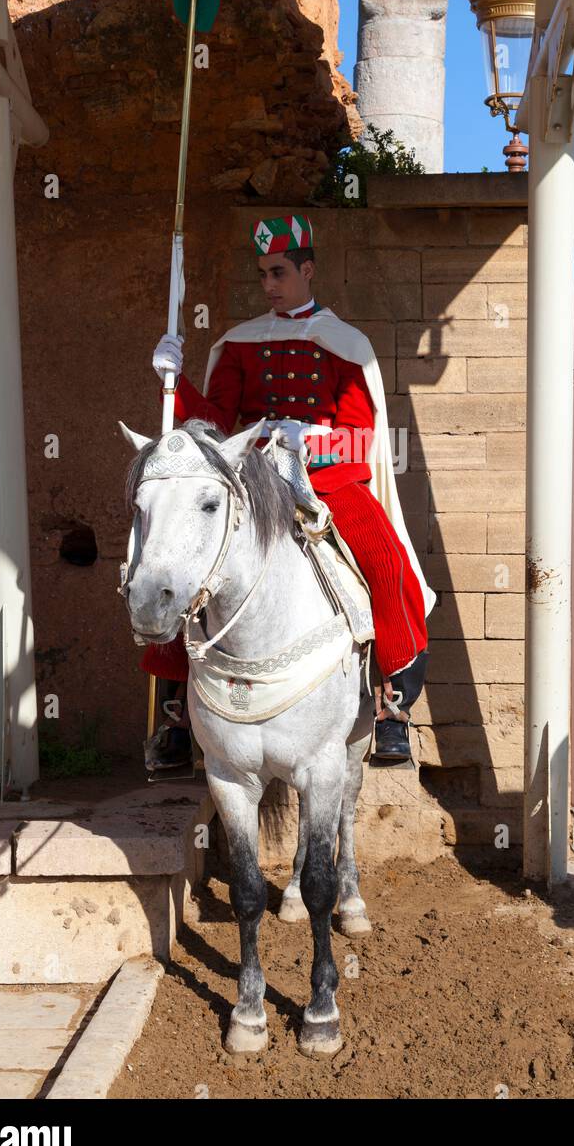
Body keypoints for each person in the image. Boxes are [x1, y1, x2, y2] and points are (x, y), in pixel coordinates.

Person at [145, 213, 434, 764]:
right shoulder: (239, 343)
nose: (268, 285)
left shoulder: (346, 344)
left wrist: (312, 441)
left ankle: (392, 706)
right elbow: (212, 426)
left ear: (308, 269)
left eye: (278, 272)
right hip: (250, 475)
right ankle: (177, 710)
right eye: (262, 274)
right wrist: (174, 381)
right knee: (181, 560)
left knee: (387, 560)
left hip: (324, 480)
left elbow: (361, 442)